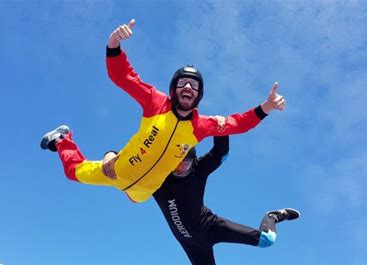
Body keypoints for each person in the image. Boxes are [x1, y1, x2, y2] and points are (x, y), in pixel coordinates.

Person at [40, 19, 286, 203]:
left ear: (199, 95)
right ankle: (62, 139)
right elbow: (124, 77)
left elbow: (237, 123)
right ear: (173, 89)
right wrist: (113, 45)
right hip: (115, 172)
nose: (188, 86)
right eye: (182, 82)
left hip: (141, 193)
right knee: (72, 172)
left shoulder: (201, 126)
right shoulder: (155, 102)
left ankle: (111, 157)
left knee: (137, 198)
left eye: (194, 85)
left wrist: (265, 107)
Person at [103, 136, 300, 265]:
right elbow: (129, 161)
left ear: (192, 162)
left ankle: (272, 216)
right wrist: (110, 154)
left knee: (267, 240)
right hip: (193, 245)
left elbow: (221, 152)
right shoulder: (159, 176)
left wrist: (219, 126)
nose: (181, 169)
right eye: (177, 165)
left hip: (211, 227)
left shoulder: (198, 169)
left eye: (186, 164)